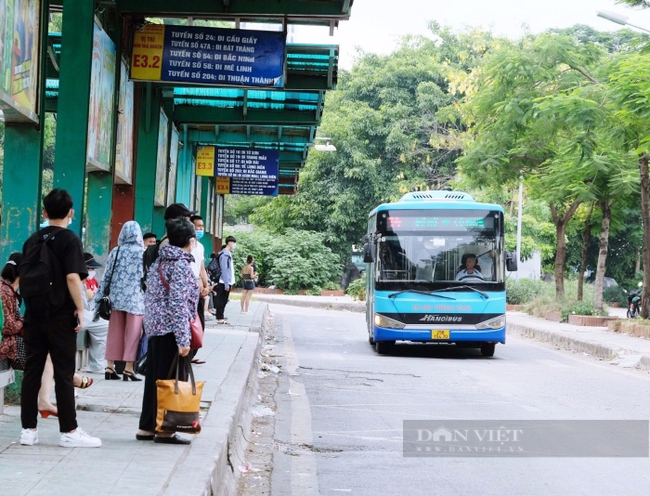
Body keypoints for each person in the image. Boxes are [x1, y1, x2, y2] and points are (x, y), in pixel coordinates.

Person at [20, 188, 101, 448]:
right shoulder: (69, 240)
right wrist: (80, 308)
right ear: (71, 213)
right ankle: (69, 430)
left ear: (44, 212)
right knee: (64, 373)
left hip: (33, 314)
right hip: (59, 316)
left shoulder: (32, 240)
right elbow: (72, 277)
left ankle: (28, 431)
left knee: (32, 371)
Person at [137, 217, 199, 444]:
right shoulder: (181, 265)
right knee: (171, 380)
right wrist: (184, 340)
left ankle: (147, 427)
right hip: (171, 331)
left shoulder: (159, 261)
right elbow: (178, 304)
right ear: (190, 241)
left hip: (155, 328)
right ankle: (165, 430)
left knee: (155, 379)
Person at [94, 221, 145, 381]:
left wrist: (98, 299)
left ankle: (110, 367)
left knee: (115, 333)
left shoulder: (116, 252)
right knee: (133, 334)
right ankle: (129, 368)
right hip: (136, 301)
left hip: (116, 300)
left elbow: (106, 276)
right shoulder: (143, 252)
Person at [81, 253, 108, 374]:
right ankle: (97, 364)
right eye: (90, 268)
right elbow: (89, 296)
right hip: (82, 313)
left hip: (90, 312)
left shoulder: (92, 281)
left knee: (103, 326)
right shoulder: (80, 280)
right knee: (105, 326)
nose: (92, 271)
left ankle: (97, 364)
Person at [0, 253, 25, 372]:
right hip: (5, 343)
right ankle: (71, 379)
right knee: (41, 356)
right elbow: (8, 327)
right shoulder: (6, 292)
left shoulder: (8, 288)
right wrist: (23, 320)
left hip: (8, 340)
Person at [215, 236, 236, 324]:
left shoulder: (227, 253)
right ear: (229, 243)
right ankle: (219, 317)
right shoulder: (224, 254)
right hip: (224, 281)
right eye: (234, 243)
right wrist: (226, 283)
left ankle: (221, 316)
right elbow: (224, 269)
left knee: (224, 299)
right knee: (222, 300)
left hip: (227, 281)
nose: (235, 245)